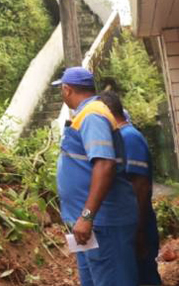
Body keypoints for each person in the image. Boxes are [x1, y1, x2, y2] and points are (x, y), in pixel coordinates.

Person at [54, 67, 139, 286]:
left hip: (103, 223)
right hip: (92, 227)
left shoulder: (92, 115)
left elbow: (104, 164)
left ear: (67, 89)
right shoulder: (87, 114)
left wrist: (87, 216)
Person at [98, 90, 162, 286]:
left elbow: (140, 187)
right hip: (130, 225)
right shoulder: (121, 137)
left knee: (144, 276)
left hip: (137, 225)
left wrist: (139, 230)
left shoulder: (129, 138)